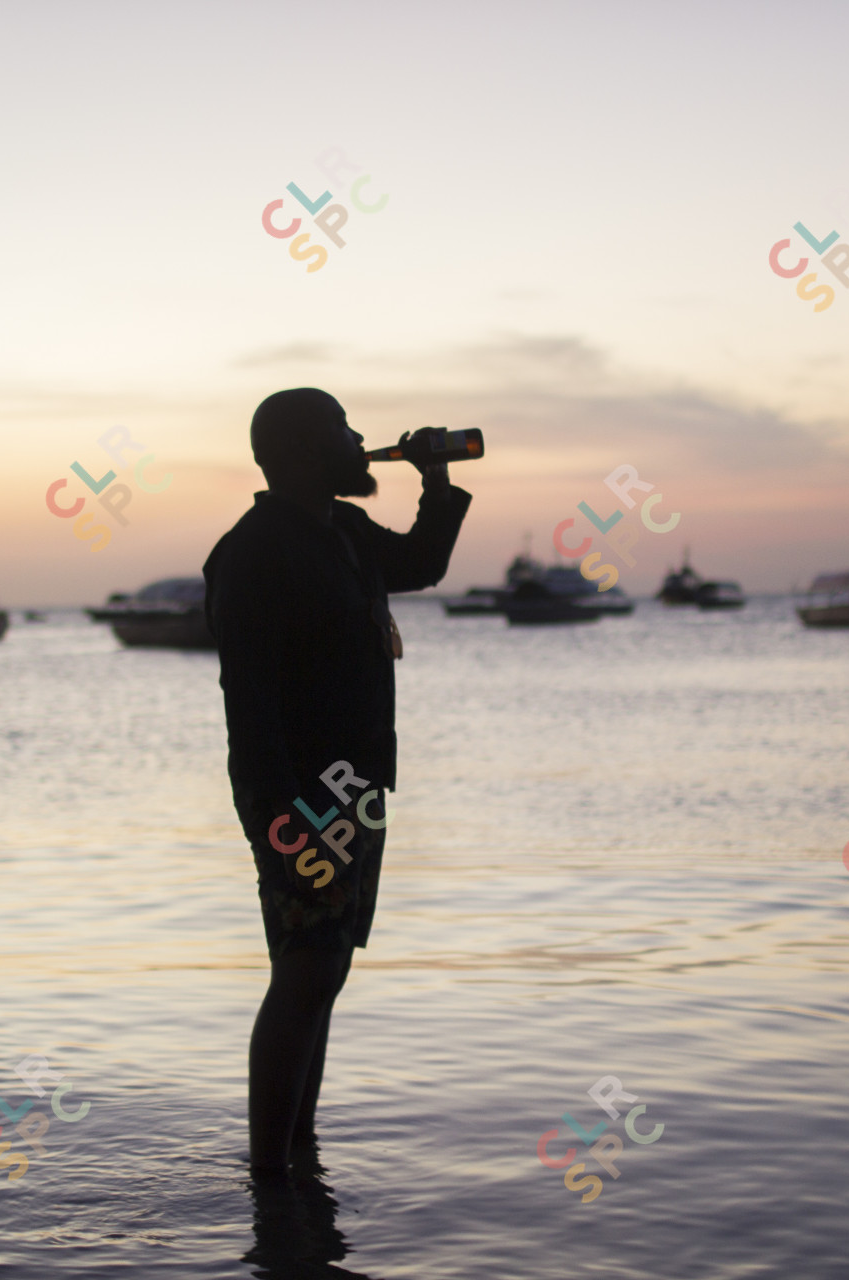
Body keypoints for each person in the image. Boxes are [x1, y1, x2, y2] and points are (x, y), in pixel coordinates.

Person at [203, 388, 471, 1178]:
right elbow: (248, 701)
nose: (360, 442)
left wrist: (436, 478)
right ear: (300, 451)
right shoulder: (252, 551)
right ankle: (270, 1179)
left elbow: (421, 564)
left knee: (324, 969)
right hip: (298, 797)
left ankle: (296, 1162)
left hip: (352, 791)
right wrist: (282, 814)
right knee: (307, 966)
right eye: (342, 430)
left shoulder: (342, 530)